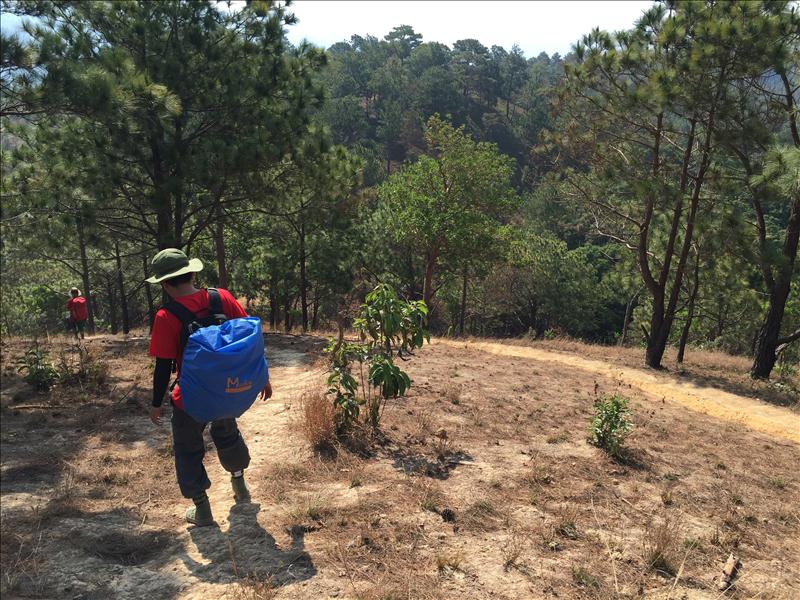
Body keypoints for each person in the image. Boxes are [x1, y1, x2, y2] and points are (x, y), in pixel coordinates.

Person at [146, 248, 272, 526]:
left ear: (164, 284)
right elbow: (250, 341)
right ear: (192, 274)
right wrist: (262, 377)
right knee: (227, 434)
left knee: (188, 448)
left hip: (191, 398)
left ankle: (202, 509)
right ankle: (239, 483)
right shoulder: (221, 298)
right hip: (227, 389)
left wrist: (156, 404)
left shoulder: (166, 316)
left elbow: (163, 366)